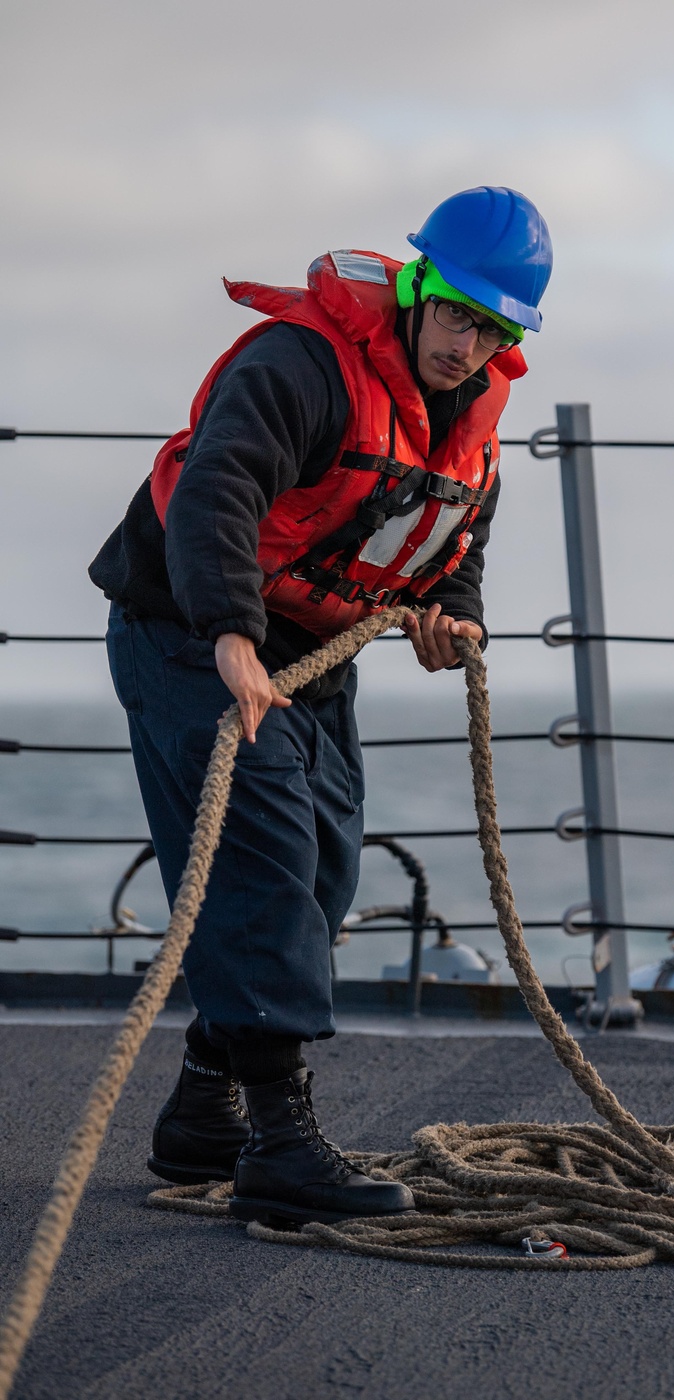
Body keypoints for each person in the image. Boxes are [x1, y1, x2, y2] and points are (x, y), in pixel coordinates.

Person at [89, 186, 552, 1228]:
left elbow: (454, 534)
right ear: (417, 285)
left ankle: (208, 1110)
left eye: (492, 328)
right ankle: (283, 1144)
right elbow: (219, 490)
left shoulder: (472, 413)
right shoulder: (298, 363)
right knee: (258, 863)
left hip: (306, 649)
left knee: (324, 867)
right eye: (455, 312)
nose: (465, 343)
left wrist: (451, 614)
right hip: (190, 626)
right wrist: (231, 637)